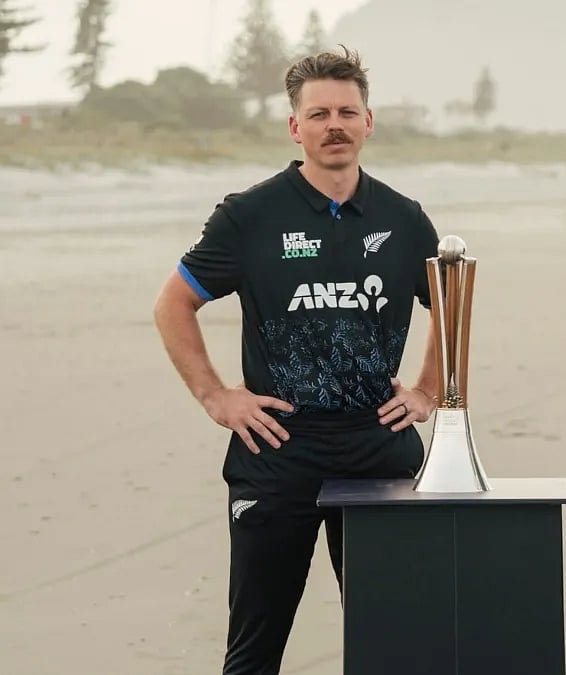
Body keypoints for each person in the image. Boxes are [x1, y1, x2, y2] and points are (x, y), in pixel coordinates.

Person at [152, 46, 442, 675]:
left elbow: (453, 305)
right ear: (295, 127)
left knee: (394, 643)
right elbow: (173, 305)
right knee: (255, 650)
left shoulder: (405, 219)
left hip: (378, 445)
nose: (333, 124)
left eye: (346, 111)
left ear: (369, 122)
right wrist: (216, 396)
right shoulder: (248, 217)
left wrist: (428, 389)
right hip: (277, 448)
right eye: (318, 114)